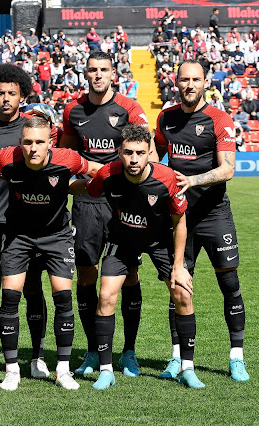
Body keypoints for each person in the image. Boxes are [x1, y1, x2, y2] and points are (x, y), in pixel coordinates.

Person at [69, 124, 198, 389]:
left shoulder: (167, 179)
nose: (134, 159)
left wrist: (178, 267)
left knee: (183, 293)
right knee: (105, 295)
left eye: (140, 152)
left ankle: (187, 367)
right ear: (119, 152)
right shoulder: (108, 174)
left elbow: (180, 221)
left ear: (150, 152)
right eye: (128, 152)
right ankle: (106, 370)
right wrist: (59, 186)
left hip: (159, 241)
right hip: (122, 239)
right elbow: (87, 188)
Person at [0, 116, 101, 391]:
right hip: (18, 236)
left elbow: (99, 170)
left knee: (63, 298)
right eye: (28, 142)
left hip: (57, 236)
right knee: (11, 298)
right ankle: (12, 370)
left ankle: (63, 370)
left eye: (40, 142)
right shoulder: (6, 158)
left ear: (50, 142)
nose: (33, 148)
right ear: (20, 143)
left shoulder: (67, 159)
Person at [154, 59, 249, 382]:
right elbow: (155, 158)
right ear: (175, 82)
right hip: (179, 217)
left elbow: (228, 169)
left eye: (196, 79)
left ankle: (236, 356)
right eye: (184, 80)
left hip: (214, 214)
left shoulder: (220, 119)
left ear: (205, 81)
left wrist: (193, 181)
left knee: (230, 285)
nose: (189, 85)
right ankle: (176, 357)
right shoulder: (166, 118)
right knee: (177, 286)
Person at [60, 50, 149, 378]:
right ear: (85, 73)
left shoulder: (129, 108)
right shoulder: (74, 110)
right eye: (92, 70)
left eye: (103, 69)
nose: (97, 75)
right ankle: (95, 350)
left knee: (130, 275)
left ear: (113, 72)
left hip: (123, 204)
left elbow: (147, 153)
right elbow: (66, 154)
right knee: (86, 275)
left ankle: (129, 350)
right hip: (86, 204)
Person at [0, 64, 58, 380]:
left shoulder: (36, 129)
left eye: (12, 93)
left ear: (23, 95)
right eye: (0, 93)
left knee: (33, 289)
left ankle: (37, 357)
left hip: (28, 225)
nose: (5, 98)